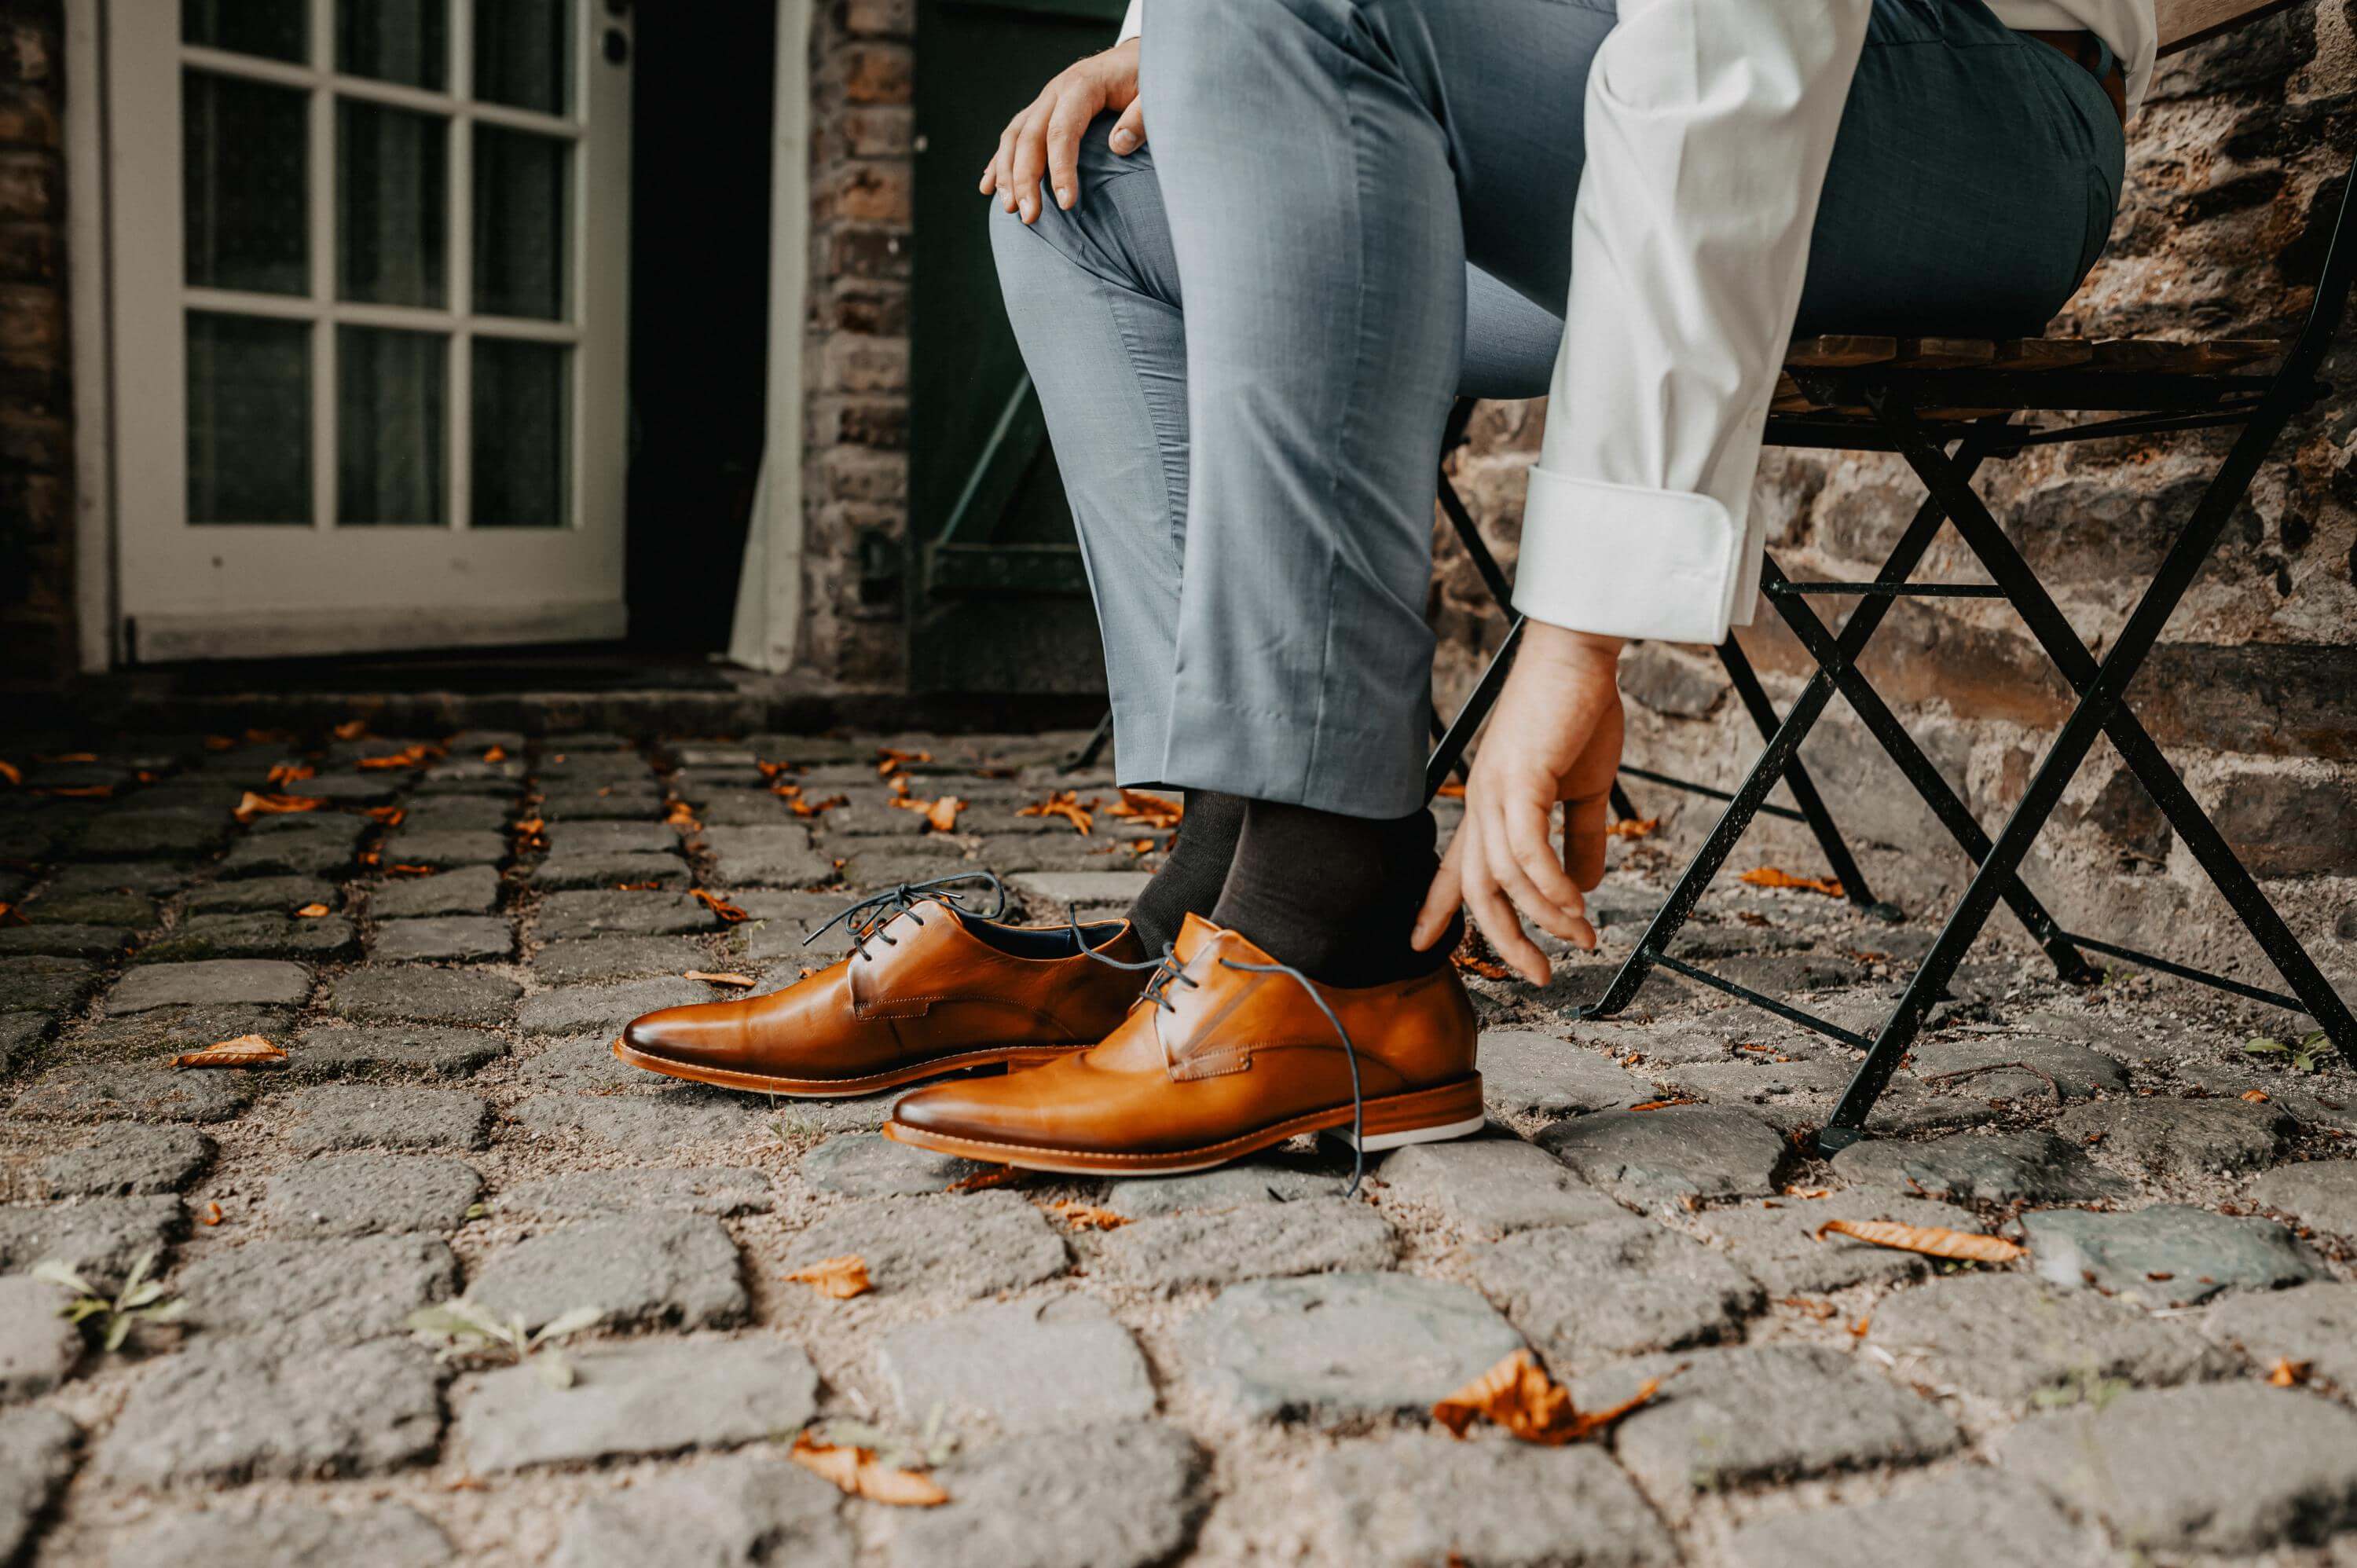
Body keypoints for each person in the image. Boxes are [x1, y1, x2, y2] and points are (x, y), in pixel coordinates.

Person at [621, 0, 2150, 1178]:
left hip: (1966, 99)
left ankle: (1333, 936)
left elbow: (1725, 53)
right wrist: (1174, 56)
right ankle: (1203, 908)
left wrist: (1576, 629)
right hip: (1574, 93)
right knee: (1078, 194)